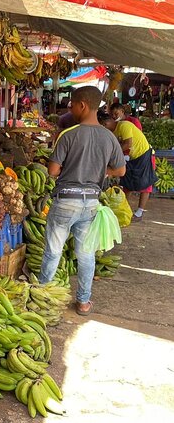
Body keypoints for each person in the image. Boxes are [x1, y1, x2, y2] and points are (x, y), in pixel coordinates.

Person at [39, 86, 126, 316]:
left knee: (53, 251)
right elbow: (120, 170)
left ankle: (41, 294)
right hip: (91, 203)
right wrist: (101, 171)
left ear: (82, 105)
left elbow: (53, 171)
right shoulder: (109, 137)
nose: (72, 109)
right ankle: (84, 302)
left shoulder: (69, 134)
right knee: (85, 253)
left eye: (73, 105)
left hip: (66, 201)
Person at [98, 111, 157, 222]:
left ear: (106, 122)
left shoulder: (124, 125)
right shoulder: (113, 132)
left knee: (145, 185)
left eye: (103, 125)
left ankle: (139, 213)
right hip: (132, 158)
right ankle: (124, 209)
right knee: (127, 183)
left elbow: (127, 144)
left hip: (143, 155)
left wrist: (111, 154)